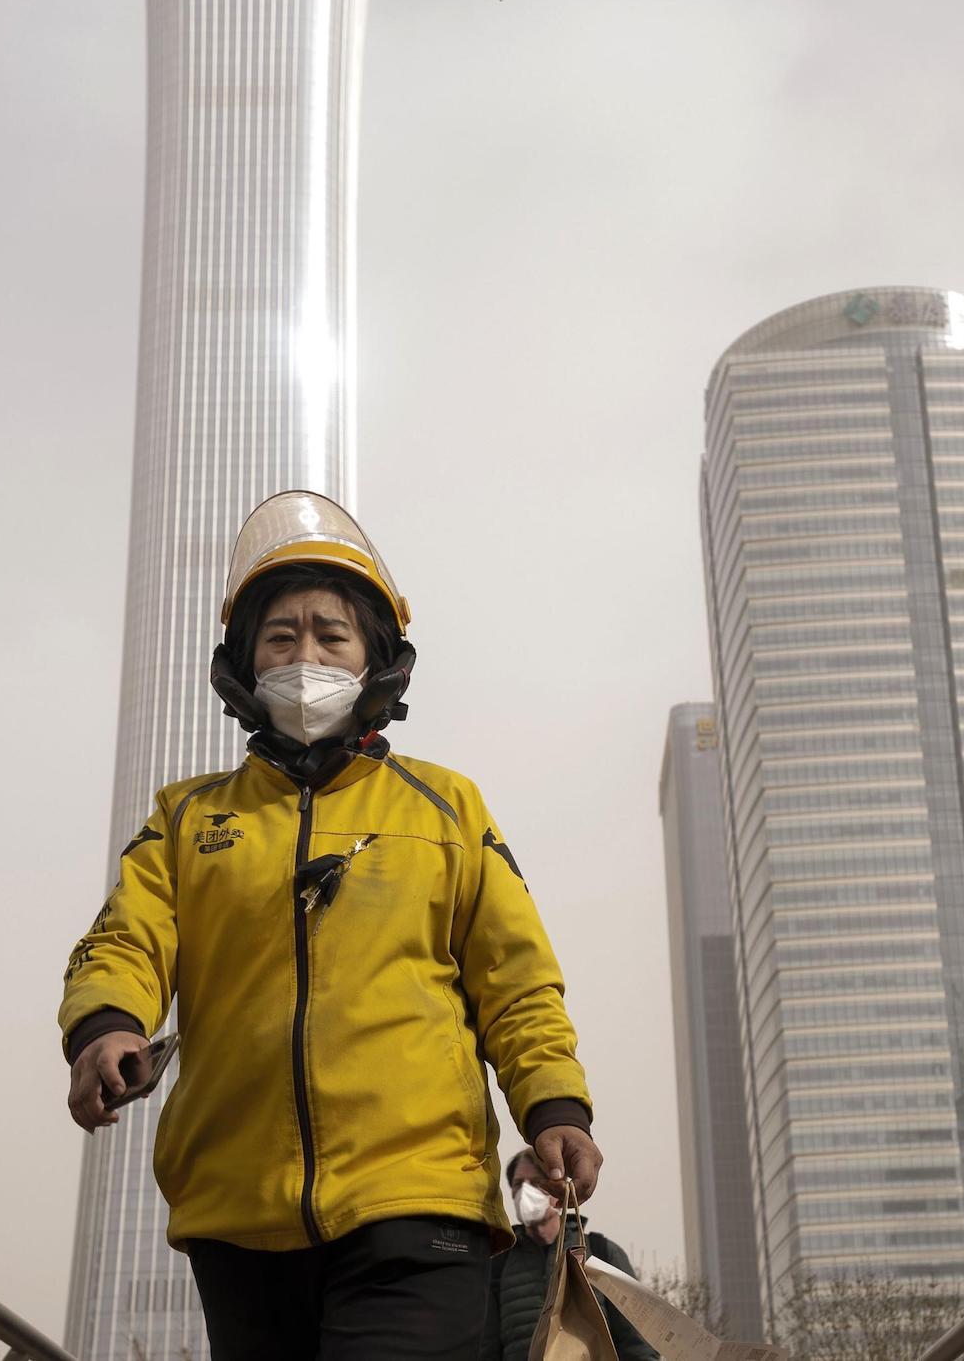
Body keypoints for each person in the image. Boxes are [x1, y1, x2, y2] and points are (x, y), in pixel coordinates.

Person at [60, 491, 604, 1361]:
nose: (304, 653)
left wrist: (554, 1103)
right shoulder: (187, 817)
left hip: (418, 1207)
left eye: (330, 634)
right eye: (281, 635)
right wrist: (106, 1022)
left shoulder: (447, 806)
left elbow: (517, 980)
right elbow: (127, 936)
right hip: (237, 1222)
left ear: (374, 661)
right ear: (245, 662)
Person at [482, 1150, 659, 1361]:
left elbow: (636, 1342)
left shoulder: (601, 1253)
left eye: (536, 1182)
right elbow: (486, 1349)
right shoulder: (499, 1264)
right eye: (519, 1184)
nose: (525, 1192)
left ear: (557, 1190)